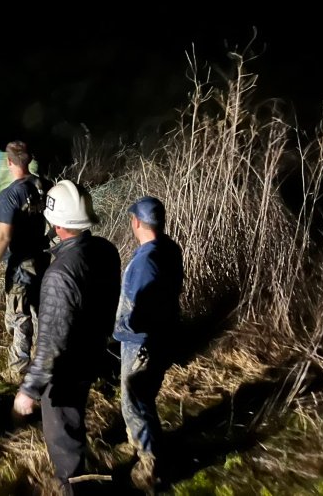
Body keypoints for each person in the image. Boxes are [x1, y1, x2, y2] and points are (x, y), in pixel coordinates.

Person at [12, 180, 121, 494]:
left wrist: (30, 389)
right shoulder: (105, 250)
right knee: (75, 417)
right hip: (95, 352)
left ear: (56, 224)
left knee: (63, 437)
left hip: (67, 369)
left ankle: (73, 487)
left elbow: (50, 343)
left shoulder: (60, 274)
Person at [113, 196, 184, 492]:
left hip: (140, 343)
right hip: (164, 337)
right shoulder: (170, 249)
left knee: (135, 403)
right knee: (145, 397)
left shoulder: (145, 262)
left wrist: (118, 328)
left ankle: (151, 468)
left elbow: (137, 310)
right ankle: (139, 441)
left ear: (137, 222)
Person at [0, 140, 53, 376]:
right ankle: (45, 360)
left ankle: (18, 369)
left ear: (9, 162)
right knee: (40, 311)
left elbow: (3, 237)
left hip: (21, 264)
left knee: (20, 316)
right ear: (29, 160)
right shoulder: (44, 185)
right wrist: (47, 240)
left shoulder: (10, 195)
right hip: (43, 258)